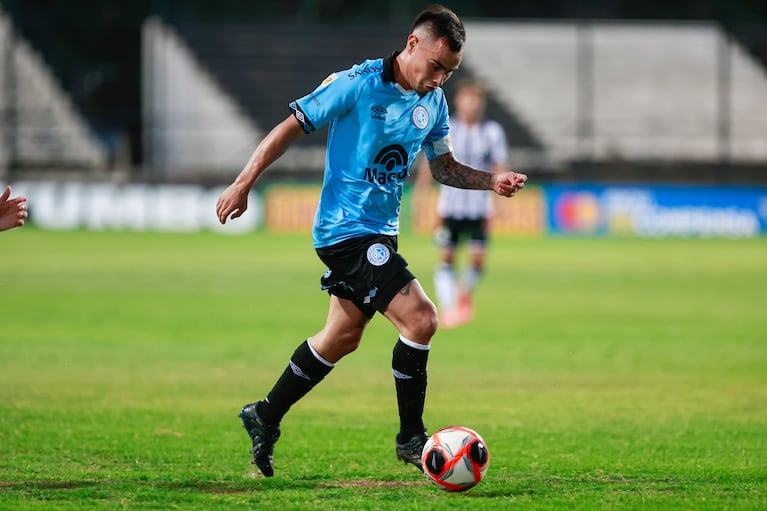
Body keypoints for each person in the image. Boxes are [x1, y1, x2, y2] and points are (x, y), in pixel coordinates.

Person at [216, 4, 527, 478]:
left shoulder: (434, 102)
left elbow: (444, 169)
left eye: (450, 72)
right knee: (421, 319)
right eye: (437, 66)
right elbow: (287, 128)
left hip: (380, 232)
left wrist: (492, 181)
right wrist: (243, 182)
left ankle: (264, 414)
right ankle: (410, 439)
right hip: (344, 232)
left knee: (341, 337)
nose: (440, 79)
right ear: (412, 44)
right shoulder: (357, 83)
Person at [416, 78, 508, 328]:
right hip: (450, 208)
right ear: (458, 101)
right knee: (446, 257)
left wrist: (501, 202)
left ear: (482, 103)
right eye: (468, 99)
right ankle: (448, 309)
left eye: (476, 99)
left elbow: (499, 167)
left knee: (478, 260)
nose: (472, 104)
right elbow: (430, 166)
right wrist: (421, 197)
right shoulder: (447, 128)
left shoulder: (492, 132)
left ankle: (462, 291)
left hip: (480, 207)